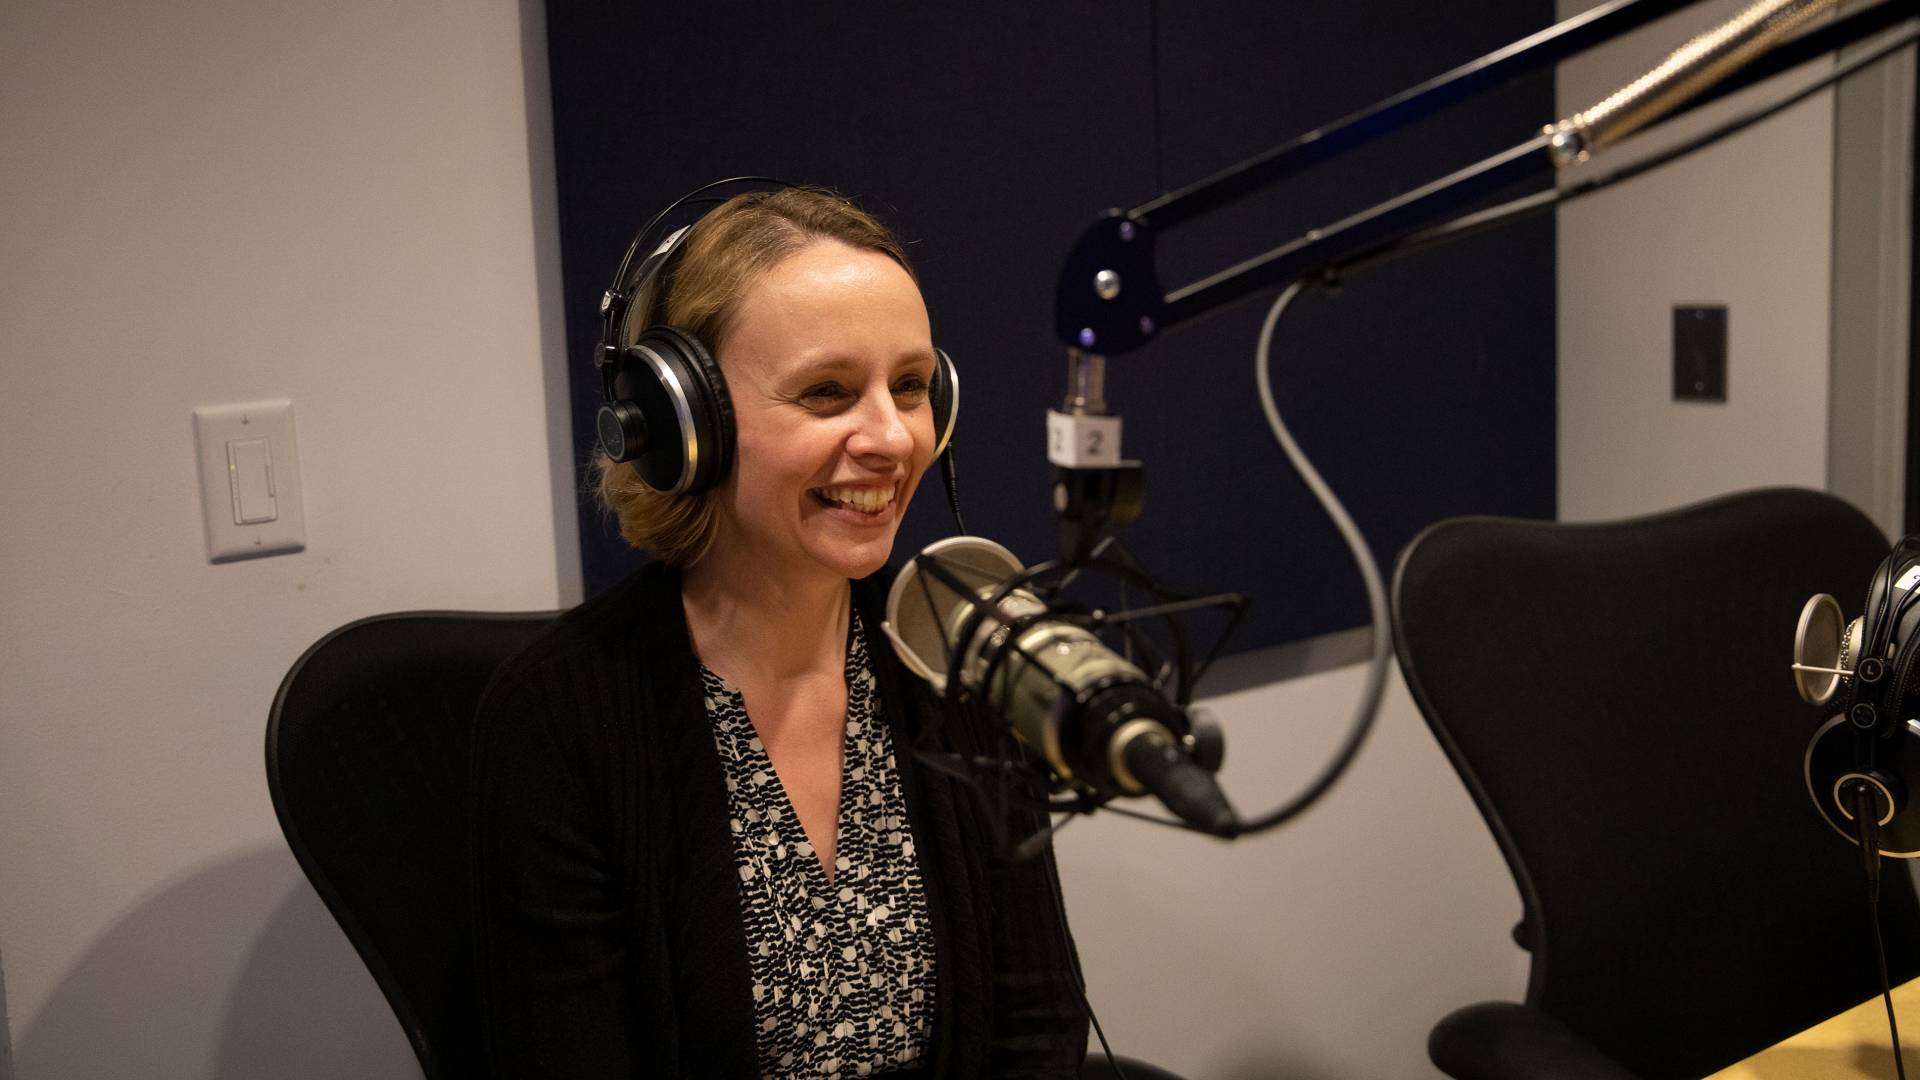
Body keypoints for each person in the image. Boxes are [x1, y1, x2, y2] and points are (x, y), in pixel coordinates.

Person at [470, 186, 1089, 1078]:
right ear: (686, 425)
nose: (893, 438)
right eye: (828, 392)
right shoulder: (559, 719)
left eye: (910, 387)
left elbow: (1036, 1027)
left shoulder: (962, 649)